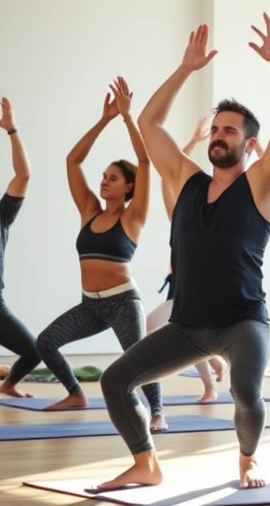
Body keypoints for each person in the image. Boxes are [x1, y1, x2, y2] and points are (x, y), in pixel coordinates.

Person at [96, 15, 270, 491]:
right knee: (114, 380)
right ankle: (145, 462)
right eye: (215, 128)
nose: (218, 135)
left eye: (229, 130)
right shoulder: (186, 180)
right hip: (187, 325)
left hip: (242, 321)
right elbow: (149, 123)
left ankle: (248, 458)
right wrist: (186, 68)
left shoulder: (262, 184)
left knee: (245, 391)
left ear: (250, 143)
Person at [35, 78, 164, 427]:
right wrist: (104, 120)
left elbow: (145, 162)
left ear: (129, 186)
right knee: (46, 342)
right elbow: (72, 161)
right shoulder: (89, 211)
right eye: (104, 176)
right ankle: (76, 393)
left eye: (113, 178)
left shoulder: (133, 217)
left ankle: (157, 412)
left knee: (138, 358)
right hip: (90, 305)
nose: (104, 181)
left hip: (123, 303)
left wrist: (127, 117)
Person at [144, 115, 230, 403]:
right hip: (177, 285)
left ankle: (212, 370)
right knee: (183, 333)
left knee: (158, 325)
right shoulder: (177, 217)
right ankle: (211, 375)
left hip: (195, 289)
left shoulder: (209, 223)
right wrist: (193, 141)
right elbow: (165, 177)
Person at [0, 97, 38, 398]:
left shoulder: (2, 215)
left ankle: (8, 383)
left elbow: (23, 174)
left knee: (34, 351)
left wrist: (12, 130)